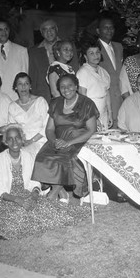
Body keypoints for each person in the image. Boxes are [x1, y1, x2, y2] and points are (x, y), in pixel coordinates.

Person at [0, 125, 90, 243]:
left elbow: (35, 182)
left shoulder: (29, 156)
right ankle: (9, 227)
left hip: (28, 195)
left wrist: (33, 195)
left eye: (17, 138)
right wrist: (18, 200)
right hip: (6, 199)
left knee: (49, 212)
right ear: (5, 141)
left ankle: (14, 225)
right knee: (17, 214)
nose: (14, 142)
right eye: (10, 139)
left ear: (22, 139)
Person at [32, 74, 98, 202]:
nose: (66, 89)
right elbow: (49, 129)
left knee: (67, 159)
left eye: (70, 86)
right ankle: (62, 193)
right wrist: (54, 141)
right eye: (62, 87)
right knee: (42, 158)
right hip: (58, 140)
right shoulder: (56, 103)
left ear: (76, 86)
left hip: (79, 141)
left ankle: (53, 193)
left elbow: (92, 130)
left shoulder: (87, 103)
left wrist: (69, 142)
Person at [28, 20, 80, 102]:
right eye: (45, 29)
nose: (49, 32)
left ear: (57, 30)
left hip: (68, 95)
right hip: (43, 98)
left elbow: (76, 70)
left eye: (52, 28)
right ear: (41, 33)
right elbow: (32, 77)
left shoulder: (69, 47)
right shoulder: (34, 51)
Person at [0, 20, 28, 100]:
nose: (4, 32)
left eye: (6, 29)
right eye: (0, 30)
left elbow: (24, 77)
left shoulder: (21, 51)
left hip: (17, 97)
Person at [8, 73, 49, 159]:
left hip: (41, 141)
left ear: (30, 86)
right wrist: (21, 142)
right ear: (15, 87)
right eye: (20, 84)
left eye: (26, 83)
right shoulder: (12, 106)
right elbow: (12, 128)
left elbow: (47, 126)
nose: (23, 87)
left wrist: (31, 141)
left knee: (25, 155)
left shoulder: (40, 101)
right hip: (22, 143)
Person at [76, 38, 112, 131]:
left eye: (97, 52)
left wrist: (110, 114)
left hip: (103, 114)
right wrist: (93, 118)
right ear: (85, 56)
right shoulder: (82, 72)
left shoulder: (104, 72)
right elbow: (82, 98)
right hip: (89, 114)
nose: (95, 55)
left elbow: (107, 94)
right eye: (91, 53)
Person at [96, 16, 123, 125]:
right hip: (105, 99)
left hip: (121, 97)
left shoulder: (119, 46)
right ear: (98, 30)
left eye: (111, 27)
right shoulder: (94, 49)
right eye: (105, 27)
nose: (109, 30)